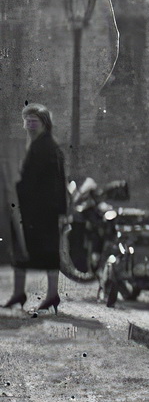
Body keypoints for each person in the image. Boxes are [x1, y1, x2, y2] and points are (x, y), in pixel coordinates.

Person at [7, 105, 67, 313]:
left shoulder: (48, 147)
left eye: (35, 121)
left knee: (44, 252)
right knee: (23, 249)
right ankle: (21, 293)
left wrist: (60, 211)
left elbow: (57, 182)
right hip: (34, 210)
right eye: (28, 121)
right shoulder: (35, 145)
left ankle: (50, 295)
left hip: (43, 211)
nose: (30, 125)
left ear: (44, 124)